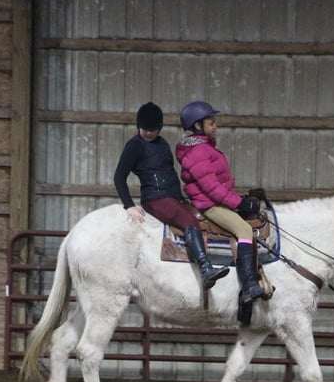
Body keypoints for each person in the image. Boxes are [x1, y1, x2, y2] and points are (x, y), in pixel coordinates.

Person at [113, 102, 229, 290]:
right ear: (138, 126)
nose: (149, 133)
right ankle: (205, 268)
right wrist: (129, 205)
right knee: (189, 221)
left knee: (203, 216)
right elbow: (119, 177)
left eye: (154, 129)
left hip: (174, 197)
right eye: (145, 129)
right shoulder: (134, 146)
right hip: (155, 198)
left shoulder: (163, 143)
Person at [175, 101, 266, 303]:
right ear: (198, 126)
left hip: (214, 199)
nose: (215, 126)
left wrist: (239, 198)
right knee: (244, 230)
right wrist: (239, 204)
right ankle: (249, 284)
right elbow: (211, 188)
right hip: (208, 204)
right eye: (211, 123)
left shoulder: (203, 148)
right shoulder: (199, 152)